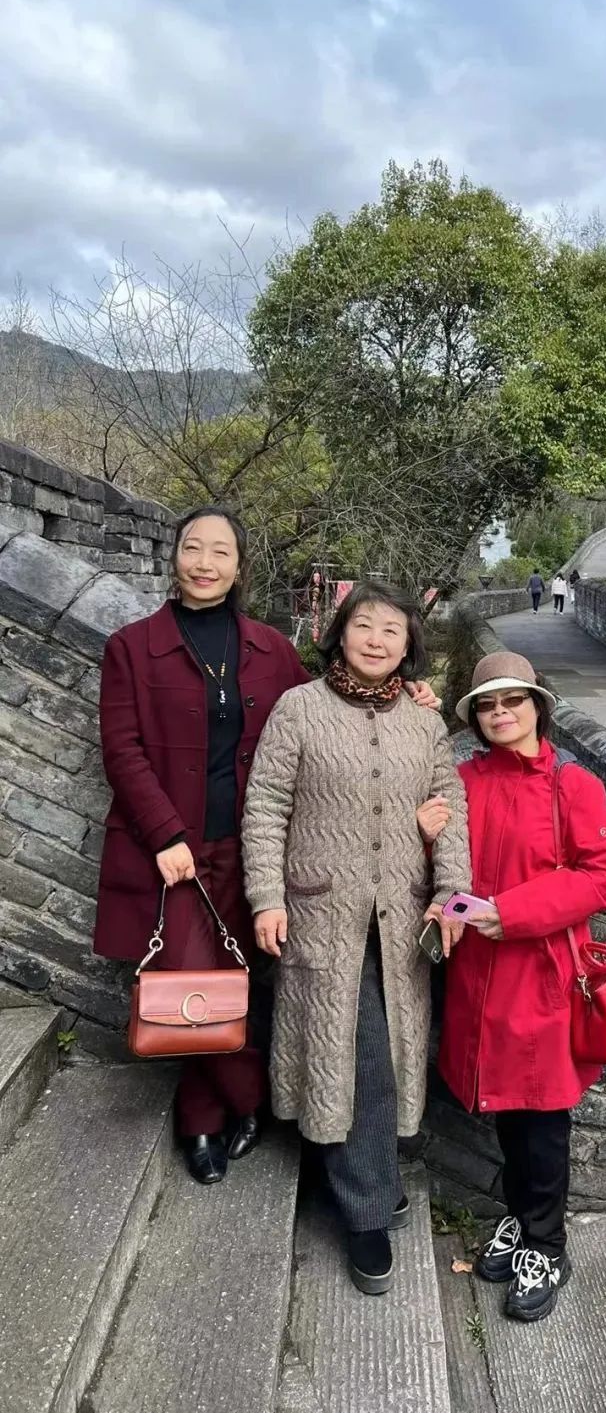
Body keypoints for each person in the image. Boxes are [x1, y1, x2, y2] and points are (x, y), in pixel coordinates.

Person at [93, 508, 441, 1188]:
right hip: (177, 850)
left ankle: (215, 1112)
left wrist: (411, 696)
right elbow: (122, 750)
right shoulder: (132, 647)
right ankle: (236, 1101)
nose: (204, 563)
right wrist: (164, 833)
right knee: (189, 977)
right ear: (174, 557)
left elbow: (330, 705)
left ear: (239, 566)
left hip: (257, 847)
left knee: (238, 979)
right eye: (193, 548)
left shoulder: (269, 648)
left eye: (220, 552)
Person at [241, 581, 471, 1297]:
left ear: (409, 646)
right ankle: (366, 1208)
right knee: (356, 1053)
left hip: (401, 919)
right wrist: (266, 897)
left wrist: (451, 896)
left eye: (392, 630)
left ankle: (364, 1177)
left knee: (391, 1052)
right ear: (339, 633)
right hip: (320, 914)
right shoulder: (299, 709)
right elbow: (266, 806)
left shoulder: (424, 723)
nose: (376, 639)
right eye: (363, 625)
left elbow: (450, 811)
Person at [438, 651, 606, 1323]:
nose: (500, 713)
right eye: (487, 705)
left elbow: (601, 876)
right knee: (507, 1110)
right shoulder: (463, 780)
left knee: (542, 1118)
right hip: (477, 976)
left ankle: (546, 1245)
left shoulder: (572, 784)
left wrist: (510, 913)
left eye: (512, 700)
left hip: (540, 976)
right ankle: (520, 1217)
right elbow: (450, 867)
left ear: (536, 706)